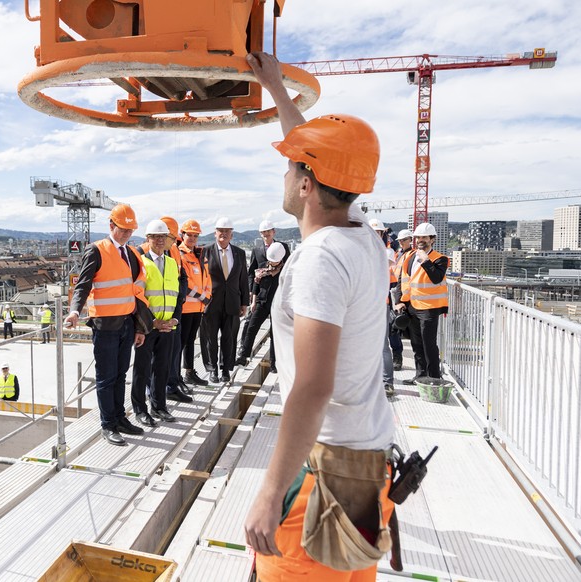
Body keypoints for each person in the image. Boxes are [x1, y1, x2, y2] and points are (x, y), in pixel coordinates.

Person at [244, 51, 396, 582]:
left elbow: (312, 387)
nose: (284, 175)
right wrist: (277, 91)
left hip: (321, 474)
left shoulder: (320, 260)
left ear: (307, 185)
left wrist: (268, 493)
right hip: (366, 468)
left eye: (291, 168)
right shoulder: (362, 234)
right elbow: (319, 156)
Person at [64, 204, 153, 446]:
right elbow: (83, 285)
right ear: (111, 225)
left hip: (126, 324)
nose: (126, 234)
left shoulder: (133, 254)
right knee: (106, 377)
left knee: (120, 374)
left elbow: (135, 293)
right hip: (105, 326)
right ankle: (108, 424)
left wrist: (139, 327)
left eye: (130, 230)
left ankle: (119, 419)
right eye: (122, 229)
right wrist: (74, 311)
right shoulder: (97, 251)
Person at [131, 220, 182, 427]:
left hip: (169, 326)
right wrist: (152, 322)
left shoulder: (171, 263)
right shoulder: (141, 263)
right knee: (142, 370)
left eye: (163, 237)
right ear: (148, 239)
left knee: (162, 368)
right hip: (147, 327)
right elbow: (138, 296)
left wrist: (175, 319)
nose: (160, 240)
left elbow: (178, 295)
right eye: (155, 236)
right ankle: (140, 411)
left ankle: (159, 406)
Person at [395, 222, 449, 383]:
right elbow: (402, 280)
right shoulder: (410, 257)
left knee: (429, 344)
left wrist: (426, 261)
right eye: (418, 237)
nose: (420, 240)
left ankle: (433, 378)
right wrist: (399, 301)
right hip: (412, 307)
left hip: (429, 309)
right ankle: (420, 376)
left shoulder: (440, 259)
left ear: (432, 239)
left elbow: (436, 278)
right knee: (416, 344)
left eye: (424, 237)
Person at [200, 217, 249, 383]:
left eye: (227, 231)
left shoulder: (239, 253)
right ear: (215, 233)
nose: (224, 234)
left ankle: (226, 369)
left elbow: (243, 279)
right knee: (210, 339)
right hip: (211, 303)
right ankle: (213, 369)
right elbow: (199, 278)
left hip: (232, 303)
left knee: (229, 338)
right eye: (221, 231)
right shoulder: (205, 252)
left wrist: (244, 303)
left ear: (232, 235)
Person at [237, 241, 288, 373]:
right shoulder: (262, 267)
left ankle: (273, 363)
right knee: (251, 328)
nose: (272, 264)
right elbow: (256, 283)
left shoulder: (286, 270)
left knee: (274, 334)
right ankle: (243, 356)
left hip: (278, 305)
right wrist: (253, 301)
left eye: (275, 262)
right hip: (262, 301)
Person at [158, 215, 193, 402]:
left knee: (174, 349)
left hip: (175, 310)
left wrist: (179, 299)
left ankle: (173, 383)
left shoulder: (174, 251)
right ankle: (164, 389)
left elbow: (182, 276)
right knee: (163, 355)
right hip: (161, 313)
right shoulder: (152, 253)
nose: (172, 241)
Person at [177, 219, 212, 388]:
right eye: (189, 235)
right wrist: (201, 295)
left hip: (198, 307)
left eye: (195, 235)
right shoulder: (180, 254)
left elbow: (207, 278)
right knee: (181, 343)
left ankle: (189, 373)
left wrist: (207, 295)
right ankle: (176, 377)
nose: (192, 238)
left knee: (191, 341)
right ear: (181, 235)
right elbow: (184, 282)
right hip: (185, 308)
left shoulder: (199, 255)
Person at [369, 219, 397, 395]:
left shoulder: (387, 252)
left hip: (380, 304)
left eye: (377, 232)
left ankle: (387, 382)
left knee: (383, 345)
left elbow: (381, 268)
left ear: (382, 234)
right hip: (364, 305)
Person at [389, 229, 414, 370]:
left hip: (403, 298)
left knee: (397, 329)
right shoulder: (398, 255)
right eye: (400, 240)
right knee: (394, 328)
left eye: (404, 240)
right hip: (395, 295)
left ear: (410, 239)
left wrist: (402, 301)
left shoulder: (411, 255)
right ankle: (396, 358)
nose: (401, 242)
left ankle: (397, 358)